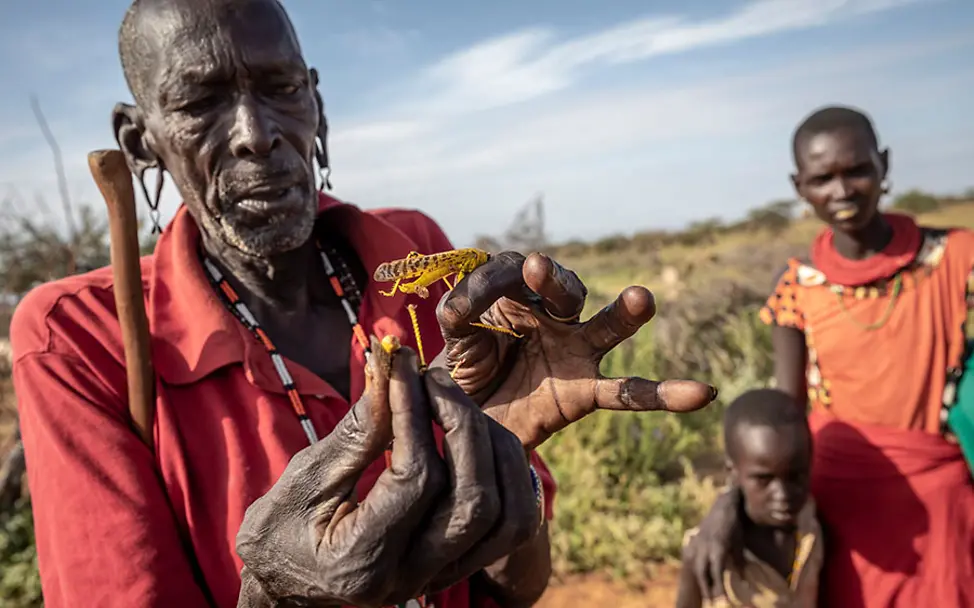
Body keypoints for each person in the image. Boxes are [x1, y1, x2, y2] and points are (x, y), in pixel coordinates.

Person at [9, 1, 718, 607]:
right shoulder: (76, 337)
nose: (257, 135)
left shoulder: (414, 249)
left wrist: (508, 466)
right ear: (141, 141)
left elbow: (517, 587)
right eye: (200, 103)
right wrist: (276, 592)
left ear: (314, 101)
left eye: (280, 88)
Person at [681, 104, 974, 607]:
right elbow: (784, 413)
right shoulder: (798, 285)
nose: (842, 192)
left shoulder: (957, 259)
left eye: (857, 170)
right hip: (838, 503)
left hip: (938, 501)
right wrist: (728, 501)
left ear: (884, 165)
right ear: (800, 187)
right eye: (823, 178)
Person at [676, 388, 822, 608]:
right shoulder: (706, 551)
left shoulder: (811, 530)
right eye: (764, 479)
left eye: (796, 476)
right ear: (732, 472)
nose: (783, 494)